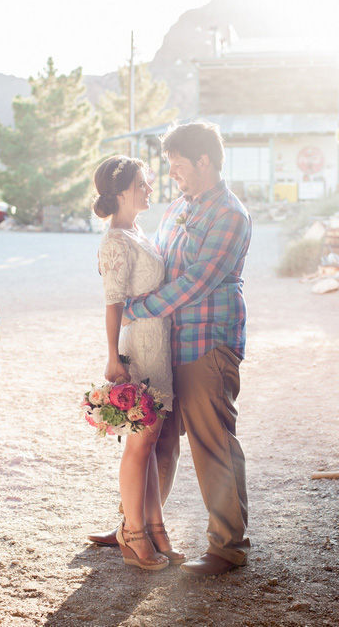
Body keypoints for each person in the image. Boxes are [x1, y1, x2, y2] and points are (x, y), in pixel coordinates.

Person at [90, 122, 252, 576]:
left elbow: (198, 281)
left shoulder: (230, 215)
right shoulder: (178, 209)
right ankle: (134, 525)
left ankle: (227, 547)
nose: (172, 176)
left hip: (206, 342)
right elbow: (152, 263)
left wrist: (135, 310)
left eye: (177, 166)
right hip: (165, 344)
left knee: (211, 441)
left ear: (203, 161)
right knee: (155, 439)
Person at [92, 155, 186, 571]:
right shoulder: (115, 240)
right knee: (140, 442)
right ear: (121, 192)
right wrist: (113, 358)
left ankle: (154, 527)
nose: (150, 189)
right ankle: (132, 535)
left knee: (150, 443)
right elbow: (113, 304)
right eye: (143, 184)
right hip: (138, 350)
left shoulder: (137, 232)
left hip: (158, 346)